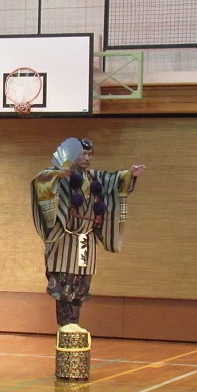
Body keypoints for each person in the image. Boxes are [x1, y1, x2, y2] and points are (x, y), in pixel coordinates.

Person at [31, 137, 145, 327]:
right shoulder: (62, 174)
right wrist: (58, 176)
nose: (87, 158)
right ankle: (64, 325)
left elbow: (114, 180)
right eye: (83, 153)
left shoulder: (95, 178)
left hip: (86, 241)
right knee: (63, 284)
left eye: (90, 154)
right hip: (64, 239)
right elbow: (42, 180)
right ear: (75, 156)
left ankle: (74, 323)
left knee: (81, 284)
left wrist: (130, 174)